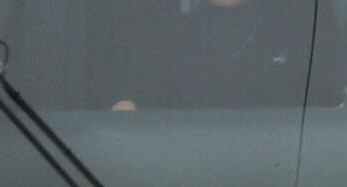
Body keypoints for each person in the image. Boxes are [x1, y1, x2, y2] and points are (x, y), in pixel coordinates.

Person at [113, 0, 333, 110]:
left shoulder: (304, 27)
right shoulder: (163, 35)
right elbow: (130, 113)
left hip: (286, 183)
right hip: (184, 183)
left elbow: (332, 110)